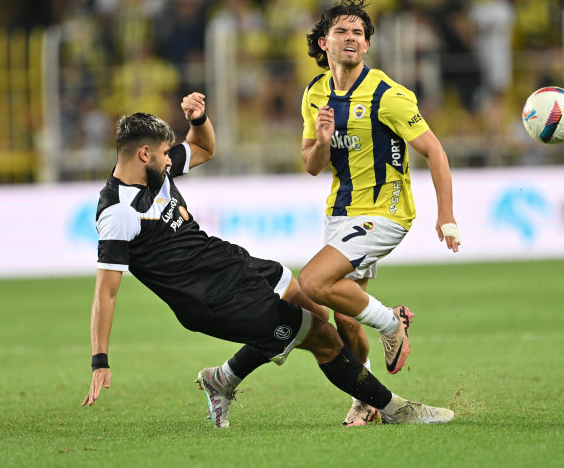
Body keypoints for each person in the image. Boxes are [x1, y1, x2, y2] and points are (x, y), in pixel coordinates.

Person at [81, 95, 454, 429]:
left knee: (314, 311)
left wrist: (198, 120)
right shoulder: (118, 212)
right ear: (143, 154)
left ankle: (222, 379)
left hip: (228, 263)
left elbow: (204, 148)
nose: (171, 158)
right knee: (323, 338)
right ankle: (393, 408)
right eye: (165, 153)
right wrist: (100, 360)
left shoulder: (155, 171)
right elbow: (106, 294)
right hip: (212, 299)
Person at [296, 0, 461, 425]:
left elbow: (435, 152)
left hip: (386, 212)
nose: (351, 38)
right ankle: (366, 398)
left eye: (358, 33)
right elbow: (311, 166)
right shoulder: (315, 94)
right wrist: (324, 139)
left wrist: (447, 215)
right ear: (322, 43)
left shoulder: (388, 94)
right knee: (346, 319)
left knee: (312, 281)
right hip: (340, 212)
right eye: (341, 31)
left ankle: (393, 323)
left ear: (367, 45)